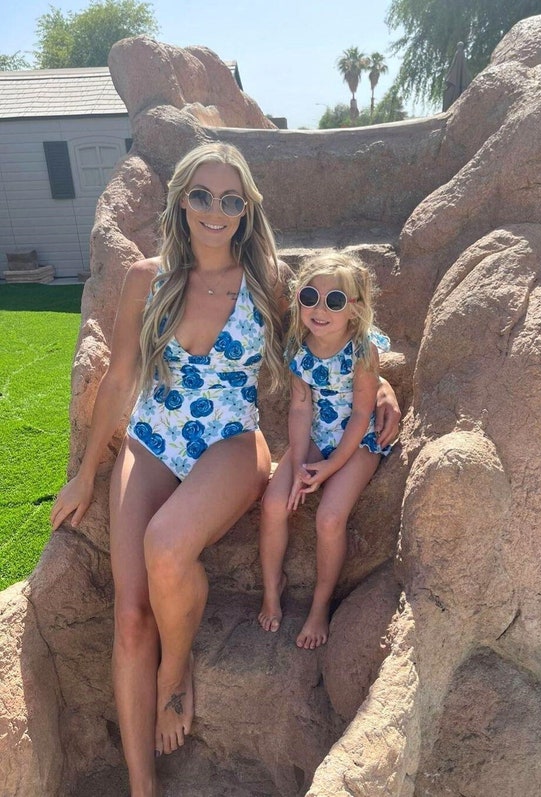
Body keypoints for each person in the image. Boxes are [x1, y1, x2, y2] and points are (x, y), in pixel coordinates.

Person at [50, 143, 400, 797]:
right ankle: (142, 786)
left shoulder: (267, 280)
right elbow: (122, 375)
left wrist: (379, 385)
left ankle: (174, 672)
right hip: (153, 439)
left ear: (246, 210)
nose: (216, 209)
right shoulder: (146, 277)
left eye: (231, 199)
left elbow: (335, 330)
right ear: (182, 201)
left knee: (165, 544)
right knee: (131, 616)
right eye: (203, 195)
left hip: (232, 442)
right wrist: (85, 470)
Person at [258, 250, 393, 650]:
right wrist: (300, 464)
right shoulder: (298, 346)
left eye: (334, 301)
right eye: (309, 297)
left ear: (355, 308)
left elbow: (362, 413)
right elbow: (301, 408)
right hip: (317, 433)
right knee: (273, 504)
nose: (320, 310)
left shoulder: (362, 350)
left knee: (330, 518)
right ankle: (272, 587)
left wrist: (331, 467)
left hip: (358, 439)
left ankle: (320, 604)